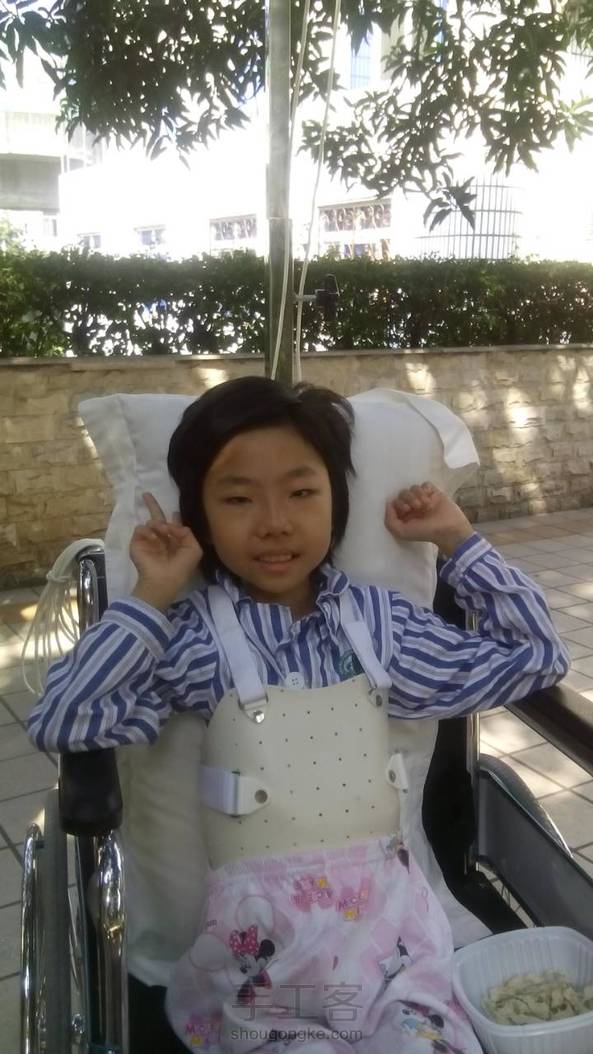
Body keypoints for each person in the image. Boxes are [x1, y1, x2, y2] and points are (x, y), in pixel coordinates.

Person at [28, 377, 569, 1054]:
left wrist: (457, 540)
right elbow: (66, 717)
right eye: (238, 499)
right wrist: (151, 597)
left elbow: (534, 657)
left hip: (393, 951)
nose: (274, 522)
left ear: (336, 503)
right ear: (199, 516)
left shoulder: (381, 627)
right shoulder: (193, 640)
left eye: (301, 492)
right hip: (265, 967)